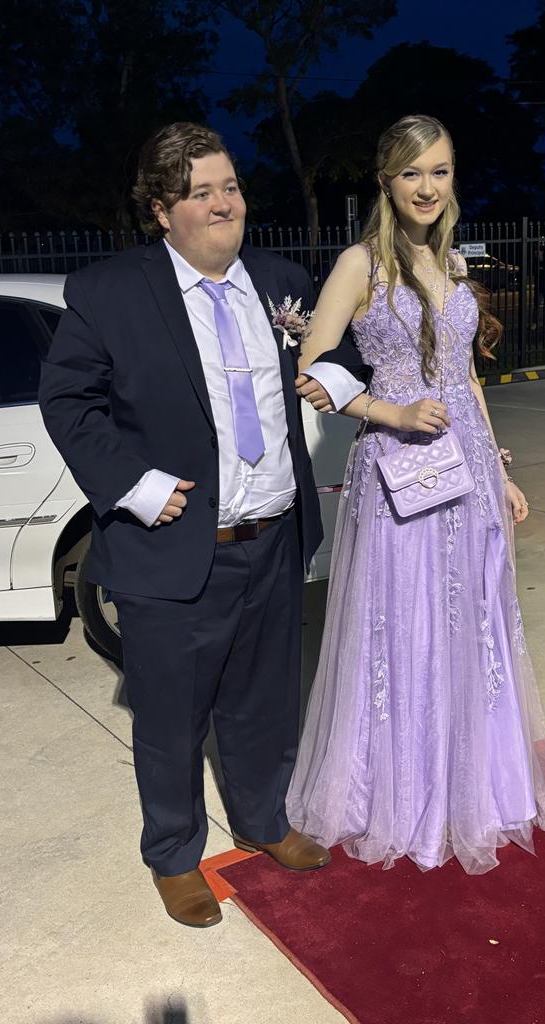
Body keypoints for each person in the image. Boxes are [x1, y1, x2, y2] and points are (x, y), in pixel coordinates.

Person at [38, 122, 368, 927]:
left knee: (264, 703)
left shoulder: (282, 281)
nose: (225, 204)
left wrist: (326, 372)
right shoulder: (111, 292)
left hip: (274, 539)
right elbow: (67, 401)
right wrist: (136, 487)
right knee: (172, 716)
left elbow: (347, 352)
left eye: (231, 186)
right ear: (162, 210)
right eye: (202, 192)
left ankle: (263, 824)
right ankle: (175, 855)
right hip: (173, 548)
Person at [288, 115, 545, 874]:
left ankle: (478, 785)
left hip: (468, 474)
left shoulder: (454, 264)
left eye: (439, 172)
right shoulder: (359, 265)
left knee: (471, 623)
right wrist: (391, 412)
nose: (426, 187)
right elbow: (313, 364)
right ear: (385, 181)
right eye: (412, 172)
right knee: (404, 626)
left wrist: (499, 469)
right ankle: (404, 794)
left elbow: (468, 378)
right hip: (401, 475)